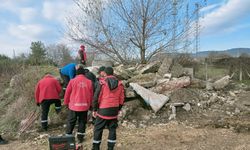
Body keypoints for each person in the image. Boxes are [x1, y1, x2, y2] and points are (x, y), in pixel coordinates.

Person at [92, 67, 125, 150]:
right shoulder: (120, 84)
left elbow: (96, 97)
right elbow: (121, 99)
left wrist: (95, 109)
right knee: (112, 129)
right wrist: (118, 109)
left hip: (103, 110)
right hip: (114, 110)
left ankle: (96, 148)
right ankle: (110, 148)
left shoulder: (102, 83)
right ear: (113, 73)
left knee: (98, 129)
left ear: (105, 73)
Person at [64, 67, 94, 144]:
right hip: (84, 106)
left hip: (73, 106)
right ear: (84, 73)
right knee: (82, 122)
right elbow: (91, 95)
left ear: (76, 73)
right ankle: (80, 138)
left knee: (71, 121)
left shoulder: (72, 81)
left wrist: (66, 103)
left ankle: (68, 137)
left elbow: (67, 93)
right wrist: (91, 105)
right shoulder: (89, 82)